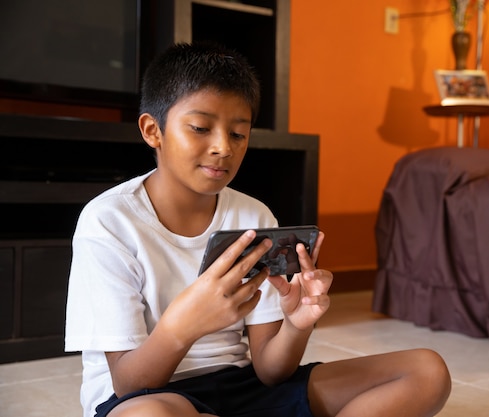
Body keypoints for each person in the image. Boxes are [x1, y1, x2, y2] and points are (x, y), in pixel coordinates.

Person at [65, 42, 451, 417]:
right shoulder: (109, 221)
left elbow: (270, 371)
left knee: (426, 371)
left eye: (238, 133)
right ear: (153, 131)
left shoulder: (253, 215)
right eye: (200, 128)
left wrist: (296, 324)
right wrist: (182, 325)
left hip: (240, 389)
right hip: (147, 397)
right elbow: (129, 384)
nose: (223, 148)